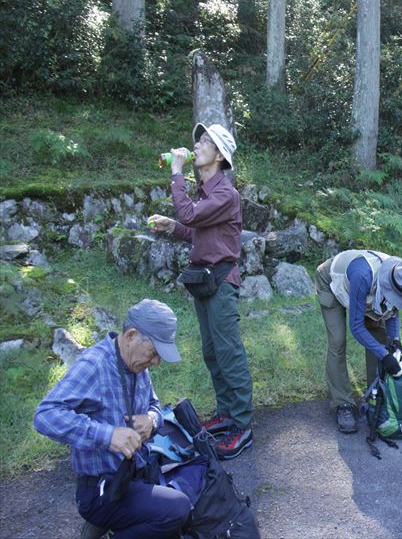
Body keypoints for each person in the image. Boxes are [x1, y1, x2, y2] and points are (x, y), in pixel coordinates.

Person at [33, 299, 190, 539]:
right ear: (131, 335)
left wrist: (152, 420)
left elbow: (154, 406)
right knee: (176, 509)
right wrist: (107, 435)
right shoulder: (94, 365)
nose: (156, 362)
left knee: (190, 498)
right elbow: (45, 415)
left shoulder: (137, 364)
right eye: (154, 353)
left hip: (134, 476)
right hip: (102, 489)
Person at [148, 122, 254, 457]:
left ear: (220, 156)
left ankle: (242, 426)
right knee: (212, 352)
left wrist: (176, 173)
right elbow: (197, 231)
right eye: (199, 140)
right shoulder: (209, 194)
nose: (197, 146)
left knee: (229, 352)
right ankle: (226, 412)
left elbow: (191, 215)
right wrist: (172, 227)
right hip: (205, 282)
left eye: (205, 141)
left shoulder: (225, 194)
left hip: (221, 283)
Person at [315, 249, 402, 433]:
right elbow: (356, 327)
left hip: (365, 289)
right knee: (338, 342)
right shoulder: (363, 275)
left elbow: (393, 311)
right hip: (333, 282)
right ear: (389, 286)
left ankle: (376, 392)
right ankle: (343, 404)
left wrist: (395, 341)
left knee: (381, 338)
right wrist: (385, 356)